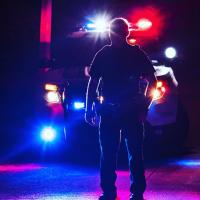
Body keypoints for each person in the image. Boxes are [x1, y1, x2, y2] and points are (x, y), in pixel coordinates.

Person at [85, 17, 156, 200]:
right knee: (132, 153)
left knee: (111, 153)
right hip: (126, 109)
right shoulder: (135, 54)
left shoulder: (104, 53)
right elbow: (152, 82)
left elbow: (93, 83)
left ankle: (110, 192)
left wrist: (89, 109)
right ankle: (134, 193)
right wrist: (144, 107)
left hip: (116, 109)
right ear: (127, 33)